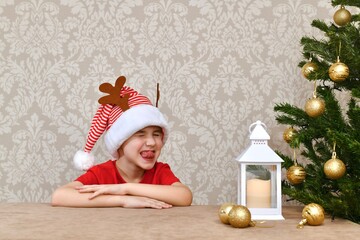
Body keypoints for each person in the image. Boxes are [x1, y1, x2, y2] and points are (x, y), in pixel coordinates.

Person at [51, 76, 193, 209]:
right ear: (120, 142)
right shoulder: (102, 173)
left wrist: (124, 188)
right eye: (140, 134)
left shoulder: (160, 171)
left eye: (156, 134)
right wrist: (122, 199)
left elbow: (185, 196)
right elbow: (60, 196)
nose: (151, 142)